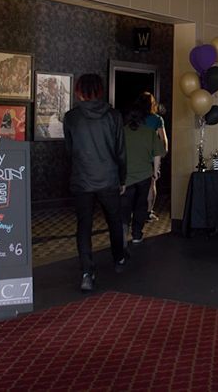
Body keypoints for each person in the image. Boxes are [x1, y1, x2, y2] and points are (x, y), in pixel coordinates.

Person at [64, 74, 129, 292]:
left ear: (79, 90)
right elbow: (121, 151)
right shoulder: (113, 115)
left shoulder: (71, 117)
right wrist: (122, 178)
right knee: (114, 221)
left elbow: (69, 151)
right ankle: (119, 259)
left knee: (84, 226)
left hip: (82, 180)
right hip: (109, 178)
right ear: (100, 90)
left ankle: (87, 272)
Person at [121, 94, 165, 243]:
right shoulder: (148, 132)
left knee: (125, 207)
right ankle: (137, 234)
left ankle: (123, 235)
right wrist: (155, 171)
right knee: (141, 205)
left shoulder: (121, 132)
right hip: (144, 175)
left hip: (126, 177)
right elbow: (158, 153)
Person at [142, 93, 168, 220]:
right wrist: (163, 152)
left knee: (135, 184)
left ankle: (136, 212)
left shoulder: (135, 119)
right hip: (152, 156)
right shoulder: (157, 119)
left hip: (137, 155)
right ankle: (148, 212)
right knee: (151, 184)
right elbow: (163, 139)